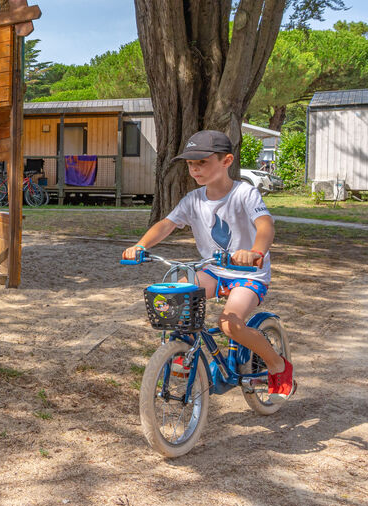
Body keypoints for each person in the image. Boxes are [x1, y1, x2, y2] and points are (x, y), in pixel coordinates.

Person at [121, 129, 294, 397]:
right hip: (213, 271)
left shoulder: (244, 194)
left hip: (248, 274)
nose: (195, 169)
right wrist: (141, 246)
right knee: (177, 299)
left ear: (226, 161)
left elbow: (265, 225)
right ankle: (182, 352)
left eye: (202, 162)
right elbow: (167, 224)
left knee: (230, 324)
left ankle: (276, 364)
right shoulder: (193, 200)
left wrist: (255, 252)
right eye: (191, 164)